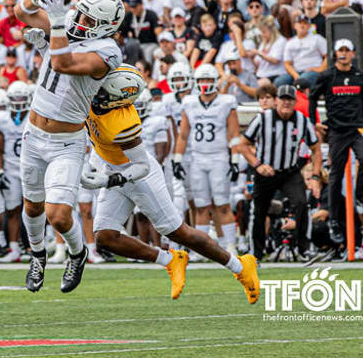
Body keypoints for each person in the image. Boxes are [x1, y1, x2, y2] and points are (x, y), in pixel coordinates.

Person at [80, 64, 259, 303]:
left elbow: (141, 166)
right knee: (105, 236)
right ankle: (170, 260)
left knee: (179, 232)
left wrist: (110, 179)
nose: (97, 92)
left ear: (117, 98)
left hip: (137, 175)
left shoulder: (124, 123)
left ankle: (240, 266)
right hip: (111, 168)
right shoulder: (93, 93)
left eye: (104, 91)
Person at [14, 0, 123, 294]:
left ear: (105, 25)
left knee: (58, 215)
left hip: (66, 141)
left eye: (89, 18)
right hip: (33, 134)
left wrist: (58, 23)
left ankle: (77, 253)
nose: (81, 21)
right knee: (32, 207)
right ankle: (37, 255)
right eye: (82, 13)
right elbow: (21, 14)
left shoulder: (107, 51)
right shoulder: (70, 21)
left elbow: (63, 64)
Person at [238, 84, 322, 261]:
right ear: (276, 101)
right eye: (283, 99)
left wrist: (315, 176)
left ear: (294, 102)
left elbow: (316, 149)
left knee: (301, 203)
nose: (286, 103)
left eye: (290, 99)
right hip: (265, 171)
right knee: (258, 210)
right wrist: (257, 164)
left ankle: (304, 249)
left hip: (289, 171)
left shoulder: (302, 120)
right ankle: (256, 252)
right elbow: (243, 145)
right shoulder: (263, 119)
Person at [309, 39, 363, 245]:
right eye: (340, 50)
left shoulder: (358, 75)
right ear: (335, 53)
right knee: (335, 176)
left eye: (347, 50)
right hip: (337, 130)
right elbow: (312, 97)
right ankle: (335, 221)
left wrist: (362, 121)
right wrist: (315, 123)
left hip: (357, 128)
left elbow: (362, 100)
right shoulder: (327, 76)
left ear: (353, 53)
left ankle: (360, 194)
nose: (344, 54)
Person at [173, 64, 241, 255]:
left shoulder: (227, 102)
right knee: (201, 206)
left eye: (209, 80)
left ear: (215, 82)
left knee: (222, 204)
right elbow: (183, 135)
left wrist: (234, 160)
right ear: (196, 82)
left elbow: (233, 134)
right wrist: (177, 159)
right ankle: (200, 250)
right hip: (197, 159)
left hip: (219, 157)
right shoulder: (189, 102)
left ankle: (230, 246)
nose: (205, 84)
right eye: (202, 80)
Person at [0, 81, 32, 263]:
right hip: (10, 168)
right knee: (12, 209)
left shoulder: (33, 116)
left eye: (21, 98)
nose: (17, 102)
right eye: (14, 98)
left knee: (34, 209)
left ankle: (35, 247)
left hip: (30, 167)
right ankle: (14, 248)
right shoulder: (2, 119)